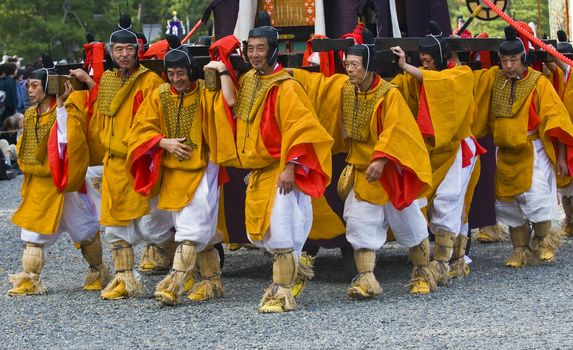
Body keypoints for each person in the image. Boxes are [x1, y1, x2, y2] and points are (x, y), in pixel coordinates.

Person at [293, 33, 434, 297]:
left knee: (411, 226)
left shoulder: (389, 94)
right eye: (347, 64)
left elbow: (398, 129)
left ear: (368, 66)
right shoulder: (345, 88)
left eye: (354, 65)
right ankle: (366, 281)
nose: (349, 69)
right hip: (362, 174)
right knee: (360, 226)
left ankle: (422, 273)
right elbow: (316, 86)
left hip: (392, 173)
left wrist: (381, 158)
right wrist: (287, 73)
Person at [205, 25, 333, 313]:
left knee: (281, 232)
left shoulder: (286, 86)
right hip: (260, 171)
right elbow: (234, 105)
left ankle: (282, 293)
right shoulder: (250, 79)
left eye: (260, 48)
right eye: (250, 49)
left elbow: (301, 129)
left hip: (281, 170)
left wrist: (290, 167)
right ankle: (296, 270)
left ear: (273, 49)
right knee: (261, 235)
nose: (254, 54)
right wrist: (224, 72)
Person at [73, 14, 174, 300]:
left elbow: (158, 120)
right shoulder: (106, 79)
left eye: (129, 49)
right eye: (118, 50)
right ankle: (123, 279)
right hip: (113, 162)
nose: (124, 54)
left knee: (150, 225)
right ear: (111, 52)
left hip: (141, 160)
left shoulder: (151, 81)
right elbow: (104, 112)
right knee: (115, 225)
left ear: (138, 51)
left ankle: (181, 260)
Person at [125, 35, 224, 305]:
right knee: (154, 226)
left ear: (190, 71)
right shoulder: (159, 95)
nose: (176, 79)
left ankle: (174, 283)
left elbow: (224, 114)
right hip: (169, 173)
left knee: (193, 228)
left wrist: (222, 72)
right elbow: (139, 130)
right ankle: (211, 280)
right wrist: (162, 141)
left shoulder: (205, 91)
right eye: (171, 74)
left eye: (181, 73)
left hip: (203, 169)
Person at [390, 20, 484, 283]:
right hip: (432, 150)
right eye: (422, 60)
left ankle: (443, 262)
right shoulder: (418, 75)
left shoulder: (461, 74)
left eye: (429, 60)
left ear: (441, 57)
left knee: (450, 201)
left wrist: (407, 66)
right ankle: (456, 259)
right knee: (435, 204)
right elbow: (398, 88)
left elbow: (439, 83)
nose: (425, 64)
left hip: (457, 148)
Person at [8, 54, 109, 296]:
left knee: (84, 231)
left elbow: (70, 143)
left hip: (67, 184)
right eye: (28, 85)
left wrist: (62, 107)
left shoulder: (69, 110)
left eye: (34, 85)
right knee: (32, 235)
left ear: (49, 87)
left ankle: (98, 270)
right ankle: (30, 278)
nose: (29, 90)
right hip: (41, 186)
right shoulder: (30, 114)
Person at [473, 26, 573, 267]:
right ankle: (520, 251)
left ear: (523, 58)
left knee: (537, 198)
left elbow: (557, 121)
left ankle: (543, 243)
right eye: (504, 60)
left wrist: (561, 157)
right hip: (504, 154)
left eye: (513, 60)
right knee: (509, 204)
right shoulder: (492, 79)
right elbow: (465, 83)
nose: (508, 65)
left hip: (533, 151)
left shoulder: (539, 83)